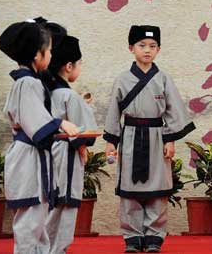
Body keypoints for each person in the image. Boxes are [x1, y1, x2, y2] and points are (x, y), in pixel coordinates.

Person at [104, 25, 196, 253]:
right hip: (130, 138)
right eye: (142, 45)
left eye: (152, 46)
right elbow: (113, 113)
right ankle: (133, 237)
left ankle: (154, 236)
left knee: (159, 188)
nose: (147, 50)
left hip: (157, 137)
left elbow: (174, 111)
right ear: (131, 48)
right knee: (129, 189)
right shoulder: (122, 79)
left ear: (159, 50)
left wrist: (170, 139)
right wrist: (111, 142)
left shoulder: (163, 79)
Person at [0, 20, 80, 254]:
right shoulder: (27, 83)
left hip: (32, 158)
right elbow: (36, 124)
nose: (52, 55)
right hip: (27, 160)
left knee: (38, 221)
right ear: (37, 54)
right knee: (30, 222)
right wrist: (61, 123)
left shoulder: (29, 82)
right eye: (49, 50)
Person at [45, 35, 98, 254]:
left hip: (49, 152)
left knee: (55, 201)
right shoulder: (68, 95)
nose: (80, 67)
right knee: (67, 201)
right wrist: (83, 149)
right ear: (69, 66)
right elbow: (83, 133)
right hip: (67, 153)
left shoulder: (48, 91)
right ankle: (57, 249)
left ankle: (46, 246)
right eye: (79, 63)